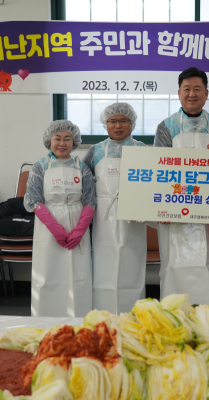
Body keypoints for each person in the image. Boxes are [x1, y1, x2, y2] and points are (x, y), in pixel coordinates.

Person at [153, 66, 209, 305]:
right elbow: (159, 170)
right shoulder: (166, 127)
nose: (191, 94)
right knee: (174, 264)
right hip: (175, 211)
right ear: (178, 93)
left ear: (206, 93)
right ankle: (175, 315)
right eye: (186, 89)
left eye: (197, 89)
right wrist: (163, 208)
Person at [24, 120, 96, 317]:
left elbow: (90, 200)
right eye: (58, 138)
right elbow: (34, 200)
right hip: (48, 226)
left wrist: (80, 229)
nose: (62, 143)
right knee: (48, 272)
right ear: (50, 140)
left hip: (76, 222)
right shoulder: (40, 167)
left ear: (75, 142)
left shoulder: (82, 167)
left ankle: (78, 319)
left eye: (67, 139)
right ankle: (44, 319)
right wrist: (55, 228)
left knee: (78, 274)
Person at [83, 102, 148, 314]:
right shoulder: (96, 151)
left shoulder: (143, 150)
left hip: (134, 216)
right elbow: (84, 182)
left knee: (132, 264)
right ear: (105, 124)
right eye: (113, 121)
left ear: (132, 123)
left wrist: (145, 209)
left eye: (123, 120)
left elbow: (154, 184)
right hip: (104, 215)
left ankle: (133, 313)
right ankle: (102, 313)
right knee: (104, 265)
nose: (118, 125)